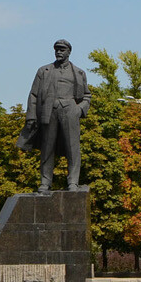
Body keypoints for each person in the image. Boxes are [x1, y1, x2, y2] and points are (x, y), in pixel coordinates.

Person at [16, 39, 92, 192]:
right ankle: (45, 182)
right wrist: (31, 116)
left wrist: (79, 110)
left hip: (70, 110)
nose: (59, 52)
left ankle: (73, 182)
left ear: (69, 52)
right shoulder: (44, 71)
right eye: (56, 49)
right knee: (47, 147)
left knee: (73, 148)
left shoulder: (78, 73)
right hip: (49, 111)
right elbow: (33, 95)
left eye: (62, 49)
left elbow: (86, 96)